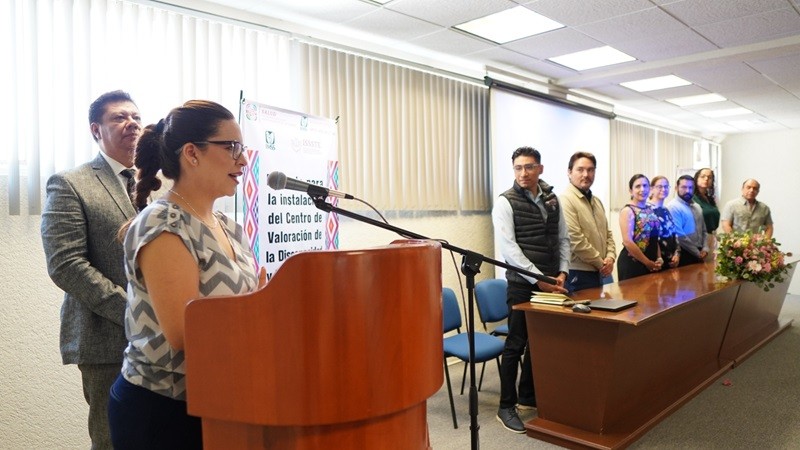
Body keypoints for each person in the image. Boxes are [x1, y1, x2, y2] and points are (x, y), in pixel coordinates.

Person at [107, 100, 263, 449]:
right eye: (232, 147)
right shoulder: (164, 223)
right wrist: (258, 311)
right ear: (192, 153)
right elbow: (185, 332)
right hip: (162, 410)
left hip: (216, 400)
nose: (243, 160)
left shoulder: (228, 226)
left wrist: (263, 304)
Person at [41, 90, 142, 450]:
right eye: (119, 117)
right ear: (96, 129)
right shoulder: (70, 183)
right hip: (107, 339)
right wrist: (133, 311)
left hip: (167, 341)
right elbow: (66, 264)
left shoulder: (161, 185)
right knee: (113, 440)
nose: (132, 123)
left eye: (136, 117)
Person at [491, 146, 570, 433]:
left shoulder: (552, 199)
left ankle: (527, 396)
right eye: (518, 168)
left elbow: (563, 238)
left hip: (551, 281)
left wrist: (563, 271)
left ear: (540, 169)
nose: (523, 173)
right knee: (516, 343)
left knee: (539, 341)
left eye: (529, 167)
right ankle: (506, 406)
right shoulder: (505, 202)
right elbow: (509, 249)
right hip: (522, 284)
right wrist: (538, 279)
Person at [559, 152, 616, 292]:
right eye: (580, 170)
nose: (586, 174)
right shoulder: (565, 200)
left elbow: (608, 234)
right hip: (577, 273)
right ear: (569, 172)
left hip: (598, 271)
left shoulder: (596, 201)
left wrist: (610, 257)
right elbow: (575, 240)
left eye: (590, 170)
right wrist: (601, 263)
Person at [617, 174, 662, 280]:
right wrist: (647, 262)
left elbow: (654, 238)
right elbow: (627, 242)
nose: (642, 189)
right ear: (631, 191)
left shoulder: (650, 210)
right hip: (633, 264)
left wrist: (659, 257)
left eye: (645, 186)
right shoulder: (628, 211)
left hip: (651, 263)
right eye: (638, 186)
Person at [667, 175, 709, 266]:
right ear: (676, 188)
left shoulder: (697, 207)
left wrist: (705, 248)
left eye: (690, 188)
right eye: (684, 187)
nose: (687, 191)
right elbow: (680, 236)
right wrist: (697, 253)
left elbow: (704, 231)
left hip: (700, 253)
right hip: (684, 254)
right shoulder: (673, 207)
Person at [648, 176, 680, 270]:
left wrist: (677, 254)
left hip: (671, 260)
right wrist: (659, 258)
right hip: (656, 261)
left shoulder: (666, 209)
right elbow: (649, 238)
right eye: (660, 186)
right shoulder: (647, 210)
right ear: (651, 189)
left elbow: (674, 234)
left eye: (666, 186)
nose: (663, 189)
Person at [693, 168, 720, 248]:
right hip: (698, 239)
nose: (706, 179)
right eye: (703, 176)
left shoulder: (710, 199)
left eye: (709, 177)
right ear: (696, 179)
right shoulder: (692, 198)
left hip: (711, 237)